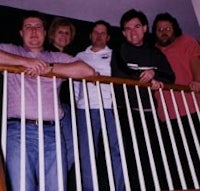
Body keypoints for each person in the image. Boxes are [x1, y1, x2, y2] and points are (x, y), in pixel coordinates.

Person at [0, 10, 97, 191]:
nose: (34, 31)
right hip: (18, 132)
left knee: (56, 187)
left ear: (45, 33)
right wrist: (26, 62)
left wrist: (49, 68)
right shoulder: (12, 51)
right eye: (28, 27)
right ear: (21, 33)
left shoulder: (55, 57)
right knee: (22, 187)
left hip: (53, 133)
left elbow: (88, 71)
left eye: (38, 27)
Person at [111, 9, 175, 190]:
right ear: (123, 32)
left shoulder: (155, 53)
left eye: (137, 26)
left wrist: (155, 74)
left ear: (145, 28)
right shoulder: (120, 49)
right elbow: (120, 72)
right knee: (132, 159)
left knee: (155, 158)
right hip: (126, 112)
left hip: (149, 113)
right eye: (128, 28)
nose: (133, 32)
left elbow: (170, 76)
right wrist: (144, 76)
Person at [74, 20, 124, 191]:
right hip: (85, 108)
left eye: (103, 33)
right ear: (90, 35)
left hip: (110, 107)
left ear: (108, 37)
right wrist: (78, 102)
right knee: (87, 152)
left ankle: (119, 187)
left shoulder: (115, 55)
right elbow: (75, 85)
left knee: (116, 149)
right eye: (96, 32)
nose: (99, 35)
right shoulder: (80, 56)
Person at [152, 12, 200, 188]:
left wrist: (197, 81)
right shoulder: (152, 51)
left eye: (167, 28)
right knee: (178, 158)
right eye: (159, 29)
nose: (163, 32)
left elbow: (196, 61)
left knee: (196, 152)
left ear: (174, 29)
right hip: (166, 113)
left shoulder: (186, 41)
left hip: (191, 107)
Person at [46, 17, 76, 190]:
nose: (64, 35)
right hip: (50, 107)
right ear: (52, 34)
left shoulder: (72, 57)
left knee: (70, 150)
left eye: (67, 33)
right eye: (60, 32)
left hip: (67, 107)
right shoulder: (46, 53)